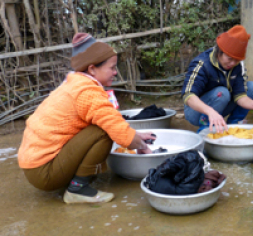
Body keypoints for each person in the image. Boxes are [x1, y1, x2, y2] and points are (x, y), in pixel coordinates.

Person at [18, 33, 156, 204]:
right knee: (103, 130)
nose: (115, 72)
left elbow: (116, 124)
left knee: (104, 125)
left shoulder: (75, 83)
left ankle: (75, 180)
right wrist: (142, 146)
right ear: (92, 69)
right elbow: (118, 131)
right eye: (112, 67)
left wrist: (136, 135)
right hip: (43, 171)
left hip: (36, 165)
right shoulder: (87, 92)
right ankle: (78, 188)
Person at [182, 25, 253, 133]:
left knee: (252, 88)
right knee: (222, 93)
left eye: (236, 60)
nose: (232, 63)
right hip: (196, 111)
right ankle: (205, 131)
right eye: (229, 58)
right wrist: (210, 111)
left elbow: (240, 96)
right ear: (220, 51)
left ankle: (233, 127)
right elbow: (188, 96)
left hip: (220, 106)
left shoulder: (237, 66)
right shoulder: (202, 63)